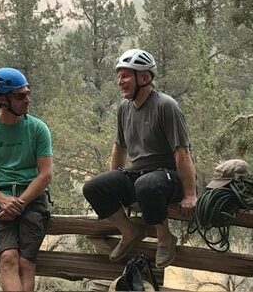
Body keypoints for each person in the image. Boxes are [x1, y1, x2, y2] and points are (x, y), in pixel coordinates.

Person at [83, 49, 197, 268]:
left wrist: (190, 194)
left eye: (125, 75)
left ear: (144, 78)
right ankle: (129, 231)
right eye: (119, 76)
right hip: (138, 174)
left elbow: (182, 152)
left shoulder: (166, 105)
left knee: (147, 184)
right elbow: (119, 147)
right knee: (93, 187)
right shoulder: (124, 108)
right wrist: (114, 178)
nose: (120, 81)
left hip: (168, 176)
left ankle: (164, 237)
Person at [0, 67, 52, 292]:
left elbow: (45, 174)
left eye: (27, 93)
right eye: (20, 96)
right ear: (2, 99)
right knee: (7, 258)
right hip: (0, 200)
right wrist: (2, 199)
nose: (27, 100)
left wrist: (20, 203)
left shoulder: (38, 128)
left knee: (26, 262)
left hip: (33, 198)